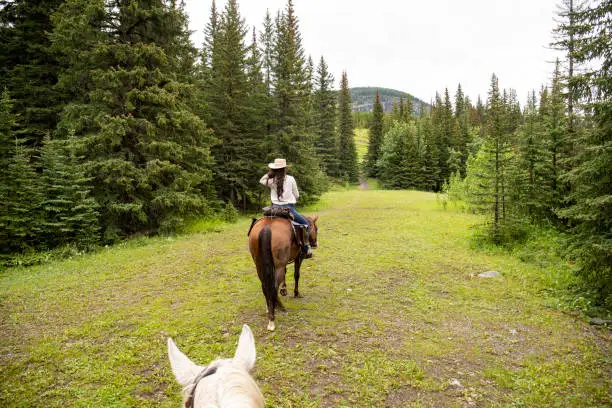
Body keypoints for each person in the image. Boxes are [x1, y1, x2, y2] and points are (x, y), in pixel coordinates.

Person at [260, 158, 313, 258]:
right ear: (285, 169)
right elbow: (296, 195)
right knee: (306, 224)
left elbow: (261, 180)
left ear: (274, 169)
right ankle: (306, 248)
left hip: (274, 209)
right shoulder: (291, 179)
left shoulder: (271, 180)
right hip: (289, 208)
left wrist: (270, 174)